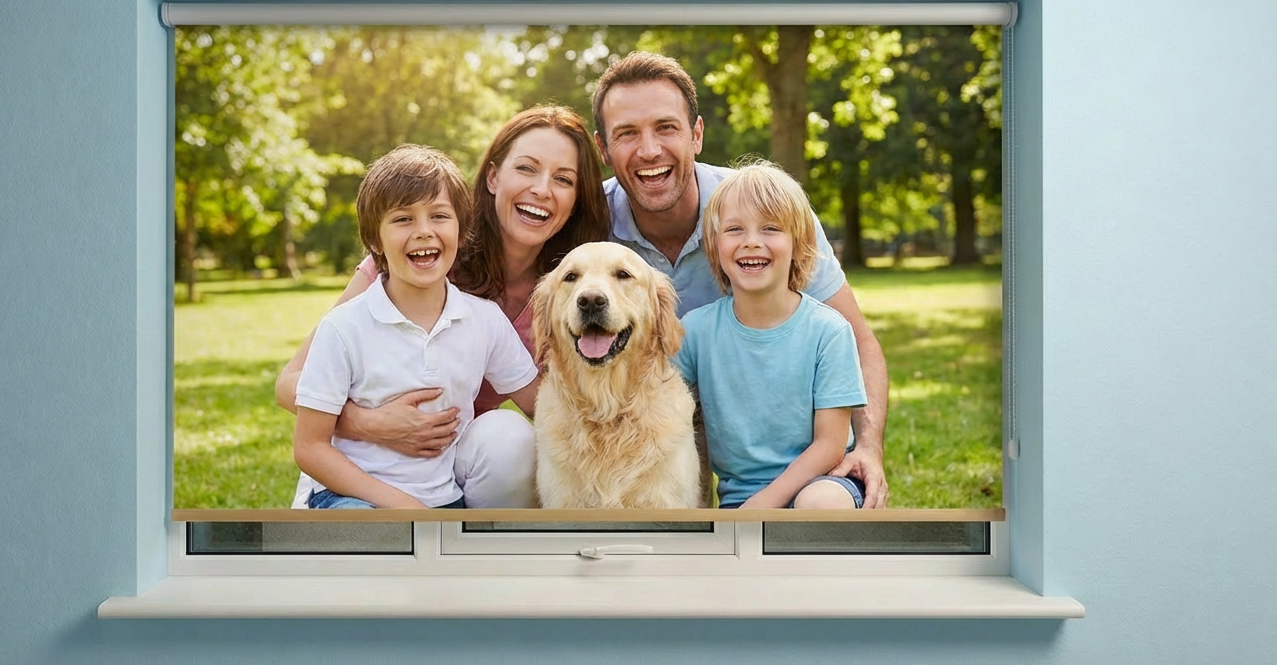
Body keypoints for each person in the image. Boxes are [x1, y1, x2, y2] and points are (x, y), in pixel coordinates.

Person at [590, 51, 891, 508]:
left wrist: (868, 446)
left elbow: (861, 343)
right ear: (603, 149)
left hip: (801, 465)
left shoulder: (760, 210)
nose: (649, 150)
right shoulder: (587, 228)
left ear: (697, 134)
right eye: (627, 134)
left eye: (666, 128)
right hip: (672, 433)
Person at [275, 106, 611, 507]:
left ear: (576, 198)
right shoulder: (393, 271)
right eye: (526, 168)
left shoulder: (570, 287)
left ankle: (479, 550)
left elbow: (545, 405)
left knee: (510, 438)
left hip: (453, 462)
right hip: (365, 469)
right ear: (492, 177)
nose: (542, 189)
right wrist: (372, 423)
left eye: (563, 179)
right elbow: (290, 384)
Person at [293, 144, 541, 509]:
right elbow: (310, 447)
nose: (424, 231)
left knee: (511, 436)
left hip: (445, 499)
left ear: (461, 230)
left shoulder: (484, 320)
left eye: (439, 216)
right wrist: (405, 509)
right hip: (354, 498)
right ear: (375, 240)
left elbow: (541, 405)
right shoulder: (343, 327)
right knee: (374, 538)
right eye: (403, 219)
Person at [676, 162, 868, 509]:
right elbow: (669, 418)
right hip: (739, 499)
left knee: (818, 504)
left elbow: (830, 446)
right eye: (734, 229)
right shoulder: (695, 331)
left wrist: (762, 507)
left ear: (799, 243)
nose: (751, 243)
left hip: (825, 483)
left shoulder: (829, 330)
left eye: (770, 229)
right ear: (714, 246)